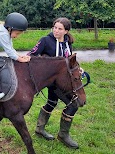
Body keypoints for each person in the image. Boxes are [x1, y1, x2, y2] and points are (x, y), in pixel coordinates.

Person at [28, 17, 82, 149]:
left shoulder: (68, 42)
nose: (56, 31)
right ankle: (63, 135)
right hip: (52, 81)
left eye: (60, 29)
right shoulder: (45, 41)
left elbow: (69, 61)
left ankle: (40, 129)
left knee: (51, 103)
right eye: (55, 27)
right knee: (73, 104)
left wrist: (77, 69)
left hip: (64, 80)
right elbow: (32, 55)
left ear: (66, 31)